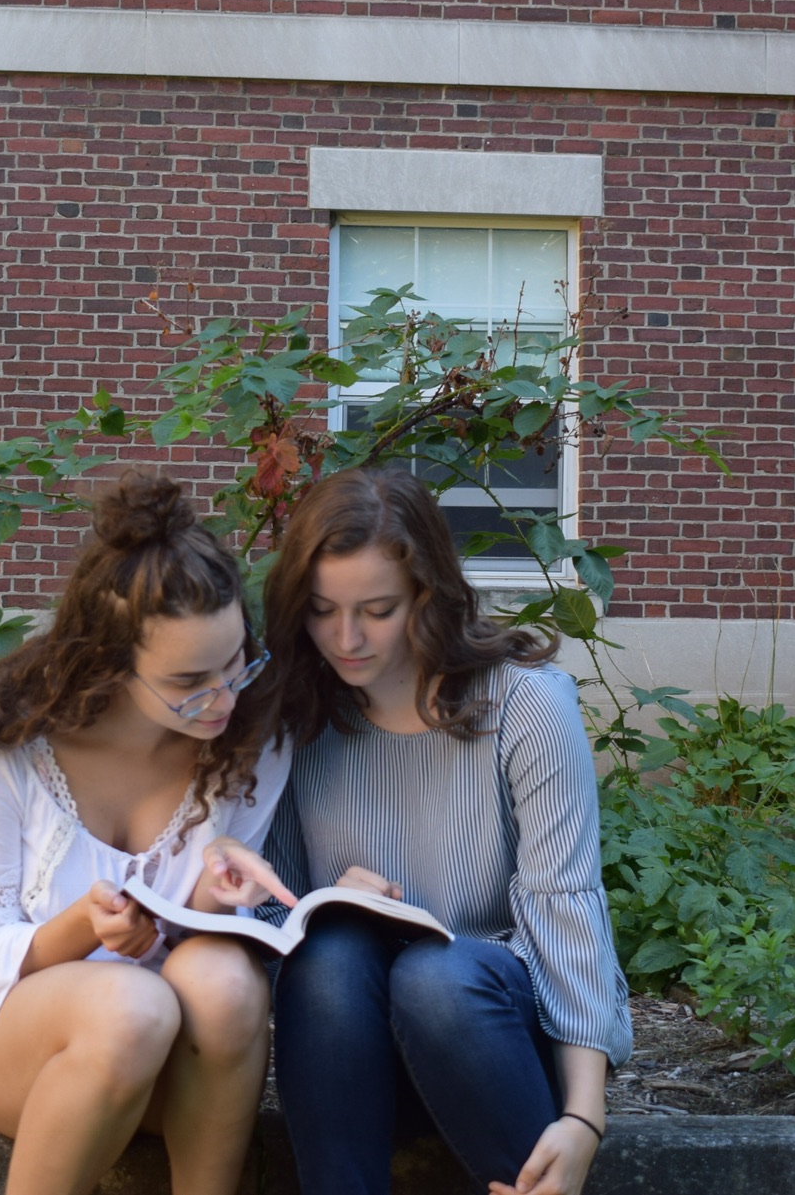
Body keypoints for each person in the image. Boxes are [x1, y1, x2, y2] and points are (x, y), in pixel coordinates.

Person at [0, 470, 299, 1195]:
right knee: (134, 1004)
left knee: (225, 981)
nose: (224, 695)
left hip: (171, 1069)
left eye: (234, 661)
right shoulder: (1, 740)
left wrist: (214, 894)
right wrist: (83, 926)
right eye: (191, 679)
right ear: (110, 659)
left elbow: (193, 948)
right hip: (21, 1051)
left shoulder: (250, 732)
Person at [261, 467, 629, 1195]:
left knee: (434, 975)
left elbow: (566, 906)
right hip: (349, 1058)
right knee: (327, 951)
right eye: (321, 608)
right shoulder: (293, 713)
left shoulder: (525, 705)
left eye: (377, 609)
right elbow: (269, 915)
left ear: (429, 594)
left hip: (486, 1035)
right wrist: (325, 900)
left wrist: (583, 1118)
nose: (345, 637)